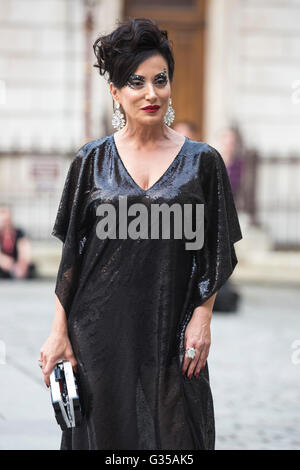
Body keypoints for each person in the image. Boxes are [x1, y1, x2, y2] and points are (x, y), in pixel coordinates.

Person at [39, 18, 243, 450]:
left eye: (160, 80)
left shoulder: (203, 163)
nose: (151, 93)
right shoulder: (89, 162)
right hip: (96, 331)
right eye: (136, 82)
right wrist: (59, 332)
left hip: (171, 327)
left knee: (176, 435)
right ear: (115, 91)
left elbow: (214, 249)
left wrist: (203, 316)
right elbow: (73, 259)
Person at [0, 204, 35, 279]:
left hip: (18, 267)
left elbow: (25, 252)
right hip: (4, 267)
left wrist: (21, 266)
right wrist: (10, 266)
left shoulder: (19, 233)